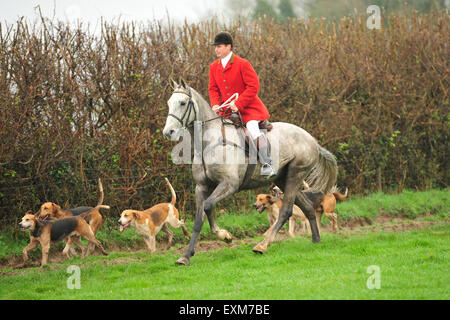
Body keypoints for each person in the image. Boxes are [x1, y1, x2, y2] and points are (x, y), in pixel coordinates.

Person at [208, 31, 275, 176]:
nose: (216, 50)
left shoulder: (243, 64)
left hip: (249, 108)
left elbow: (253, 87)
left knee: (252, 129)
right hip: (226, 110)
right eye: (215, 47)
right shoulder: (213, 67)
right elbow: (213, 89)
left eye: (219, 46)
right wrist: (214, 104)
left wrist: (238, 104)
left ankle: (267, 163)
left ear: (228, 47)